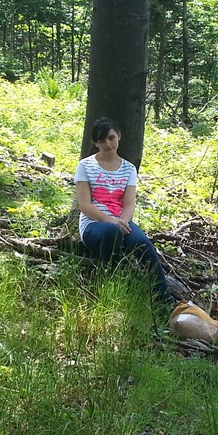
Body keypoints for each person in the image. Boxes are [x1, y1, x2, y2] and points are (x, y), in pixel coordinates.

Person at [74, 117, 172, 304]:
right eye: (101, 140)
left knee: (142, 243)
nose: (107, 144)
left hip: (122, 222)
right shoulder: (85, 166)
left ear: (118, 136)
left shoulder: (129, 169)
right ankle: (109, 288)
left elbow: (129, 204)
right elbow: (84, 205)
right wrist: (111, 221)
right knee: (112, 232)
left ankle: (165, 300)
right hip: (93, 224)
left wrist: (123, 222)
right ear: (95, 142)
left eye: (111, 138)